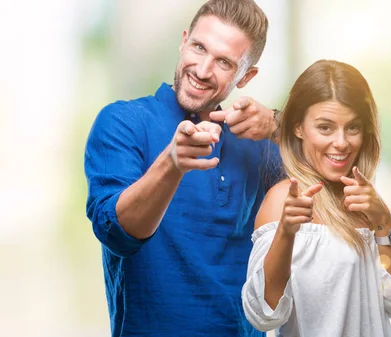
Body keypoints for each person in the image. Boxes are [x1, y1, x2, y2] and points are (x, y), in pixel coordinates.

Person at [84, 1, 282, 336]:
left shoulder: (262, 146)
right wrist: (171, 164)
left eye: (223, 62)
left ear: (246, 76)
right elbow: (117, 234)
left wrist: (279, 125)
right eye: (199, 47)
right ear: (184, 40)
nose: (203, 70)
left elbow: (335, 186)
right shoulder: (123, 122)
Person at [241, 60, 391, 336]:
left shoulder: (366, 200)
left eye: (352, 127)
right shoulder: (281, 201)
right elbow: (264, 314)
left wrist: (384, 222)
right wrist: (286, 233)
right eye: (325, 127)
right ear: (297, 127)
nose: (341, 142)